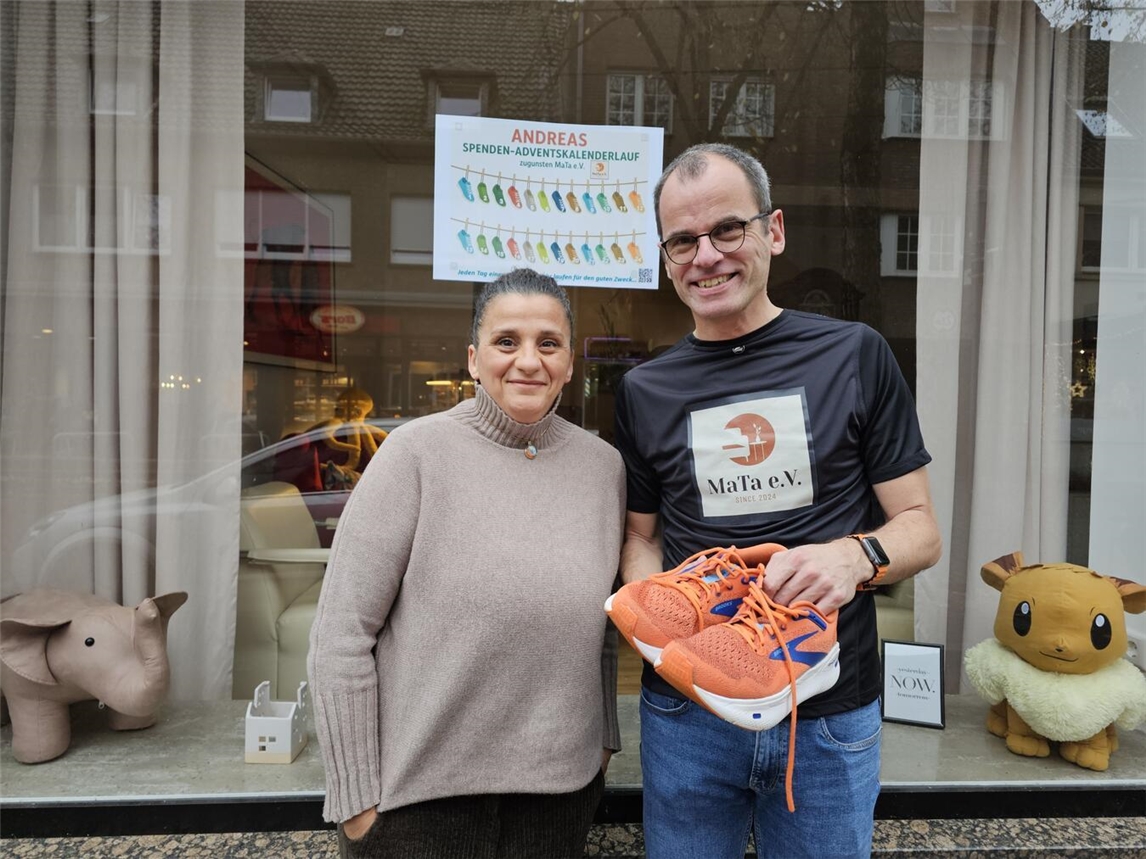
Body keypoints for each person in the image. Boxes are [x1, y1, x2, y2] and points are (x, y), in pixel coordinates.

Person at [612, 143, 942, 859]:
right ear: (666, 258)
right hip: (688, 716)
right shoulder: (644, 390)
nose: (707, 256)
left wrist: (854, 557)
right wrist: (654, 619)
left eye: (728, 229)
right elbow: (641, 538)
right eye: (683, 240)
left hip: (826, 715)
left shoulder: (853, 354)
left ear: (775, 231)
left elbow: (920, 529)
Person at [308, 268, 625, 859]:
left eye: (547, 343)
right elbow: (340, 636)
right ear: (474, 359)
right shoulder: (414, 456)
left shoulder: (602, 469)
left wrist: (603, 736)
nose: (528, 361)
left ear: (570, 363)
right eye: (507, 342)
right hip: (418, 811)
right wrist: (355, 803)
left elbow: (604, 625)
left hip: (557, 802)